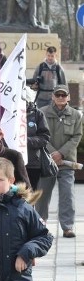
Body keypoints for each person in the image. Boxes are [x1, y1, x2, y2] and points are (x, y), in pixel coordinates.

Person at [36, 85, 82, 238]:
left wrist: (61, 153)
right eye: (58, 95)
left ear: (68, 97)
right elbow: (39, 134)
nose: (61, 98)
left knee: (67, 195)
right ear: (53, 96)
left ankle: (67, 227)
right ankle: (40, 225)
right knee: (42, 195)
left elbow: (76, 137)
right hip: (46, 161)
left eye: (64, 95)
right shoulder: (41, 112)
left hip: (67, 162)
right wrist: (52, 153)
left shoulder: (76, 115)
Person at [25, 100, 52, 190]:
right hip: (10, 163)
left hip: (32, 164)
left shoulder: (37, 114)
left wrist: (25, 141)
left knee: (30, 197)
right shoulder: (6, 112)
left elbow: (44, 138)